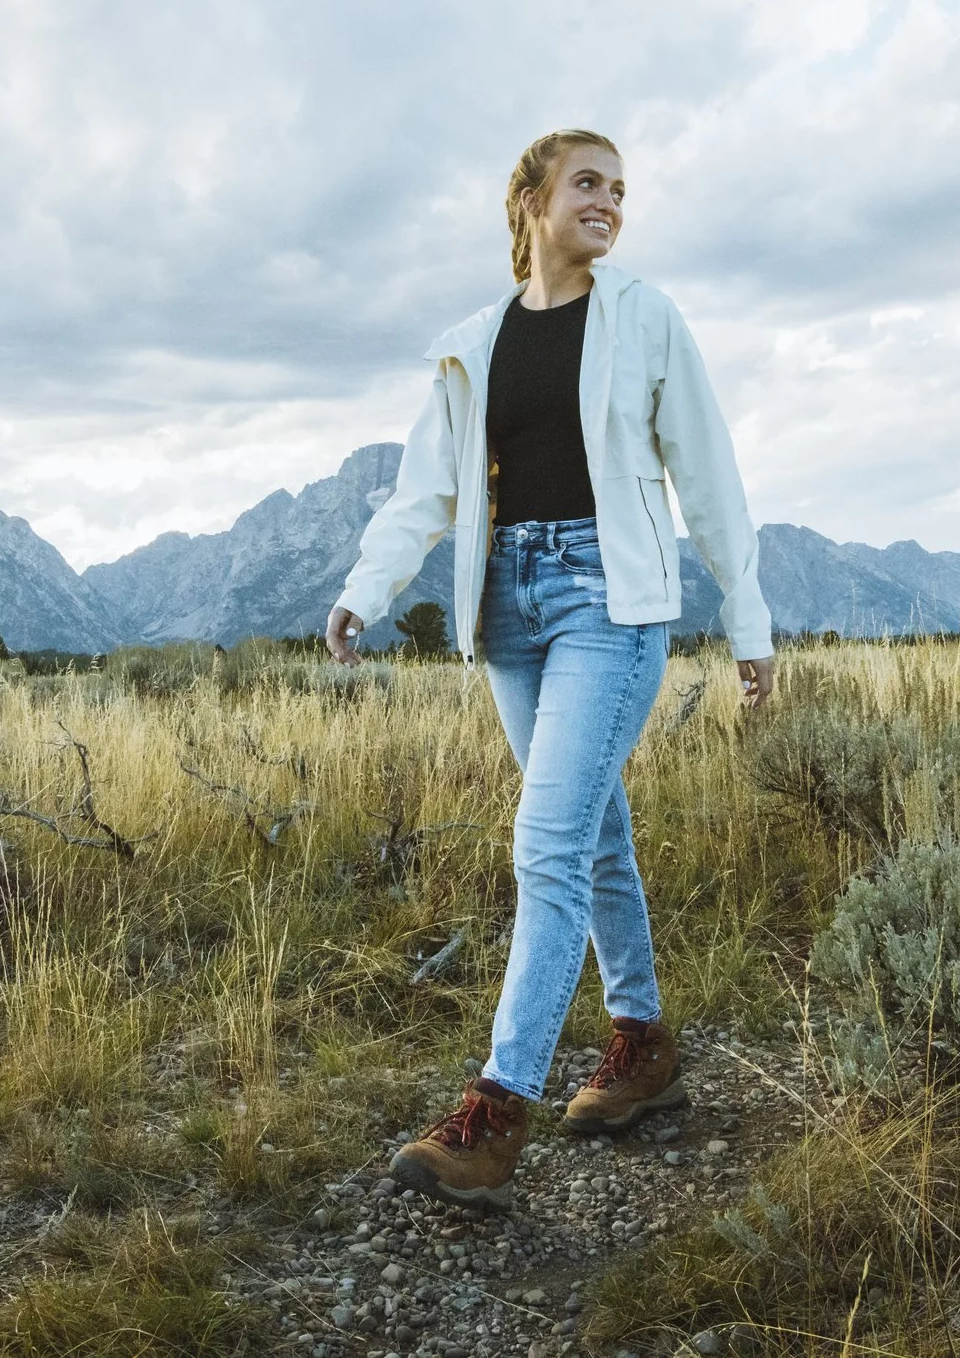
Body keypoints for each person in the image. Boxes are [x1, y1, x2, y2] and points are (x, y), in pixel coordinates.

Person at [327, 129, 776, 1211]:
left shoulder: (645, 318)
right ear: (529, 199)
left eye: (621, 190)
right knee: (594, 826)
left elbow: (705, 472)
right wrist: (364, 587)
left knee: (548, 841)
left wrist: (747, 616)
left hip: (609, 601)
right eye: (587, 182)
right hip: (510, 614)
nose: (609, 202)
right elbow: (424, 492)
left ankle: (494, 1108)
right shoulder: (470, 345)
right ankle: (642, 1042)